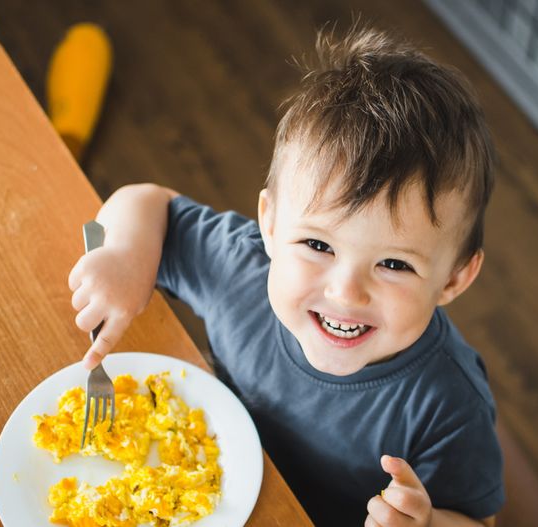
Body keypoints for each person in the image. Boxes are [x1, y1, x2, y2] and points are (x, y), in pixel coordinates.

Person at [68, 24, 504, 527]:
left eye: (394, 264)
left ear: (453, 280)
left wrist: (426, 523)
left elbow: (478, 521)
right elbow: (148, 202)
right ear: (270, 224)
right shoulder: (240, 269)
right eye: (318, 245)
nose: (345, 291)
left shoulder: (449, 406)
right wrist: (124, 255)